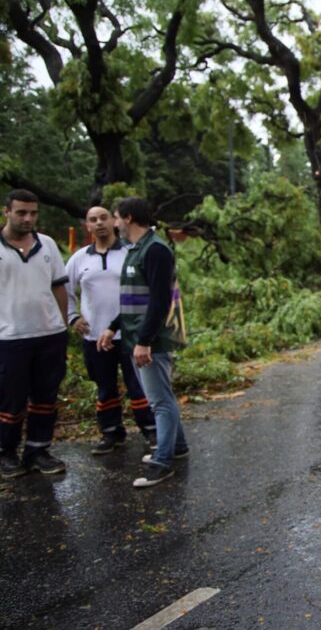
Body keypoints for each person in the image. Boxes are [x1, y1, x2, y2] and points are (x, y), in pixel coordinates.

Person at [97, 198, 189, 489]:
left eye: (115, 217)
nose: (113, 223)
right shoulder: (136, 249)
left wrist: (145, 341)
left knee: (159, 401)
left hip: (152, 341)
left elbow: (160, 302)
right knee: (162, 396)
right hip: (137, 336)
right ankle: (178, 447)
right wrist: (113, 327)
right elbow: (133, 299)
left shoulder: (156, 250)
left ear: (128, 217)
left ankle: (163, 461)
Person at [66, 206, 157, 454]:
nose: (99, 223)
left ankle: (150, 429)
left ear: (114, 222)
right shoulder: (79, 258)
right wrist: (73, 317)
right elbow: (64, 292)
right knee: (105, 386)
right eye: (93, 220)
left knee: (138, 385)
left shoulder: (130, 252)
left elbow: (146, 289)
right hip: (94, 335)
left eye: (104, 217)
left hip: (129, 334)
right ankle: (111, 433)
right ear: (87, 226)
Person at [0, 189, 70, 479]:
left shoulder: (48, 245)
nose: (28, 218)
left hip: (49, 335)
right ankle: (6, 452)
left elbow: (58, 286)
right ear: (7, 212)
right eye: (21, 212)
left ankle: (38, 449)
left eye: (33, 213)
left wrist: (63, 324)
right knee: (9, 399)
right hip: (10, 337)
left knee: (46, 396)